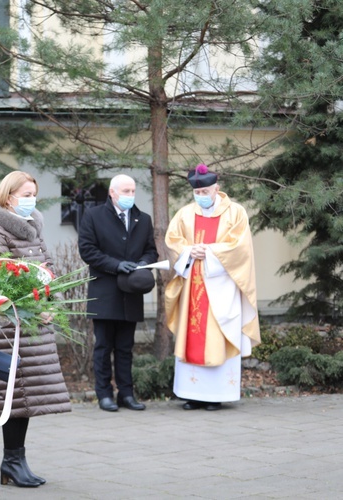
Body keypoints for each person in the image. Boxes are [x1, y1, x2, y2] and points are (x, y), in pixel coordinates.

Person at [0, 171, 71, 487]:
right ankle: (11, 461)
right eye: (25, 194)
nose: (31, 200)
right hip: (14, 326)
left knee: (28, 396)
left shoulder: (33, 227)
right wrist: (33, 312)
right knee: (16, 395)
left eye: (34, 194)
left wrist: (52, 305)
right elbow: (1, 280)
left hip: (36, 326)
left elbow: (48, 269)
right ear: (8, 197)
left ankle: (16, 460)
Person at [164, 164, 261, 411]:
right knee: (192, 333)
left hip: (222, 287)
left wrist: (207, 251)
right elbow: (173, 241)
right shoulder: (185, 214)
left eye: (206, 192)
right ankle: (191, 394)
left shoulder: (235, 213)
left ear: (217, 188)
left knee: (218, 333)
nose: (201, 197)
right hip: (192, 287)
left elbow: (240, 247)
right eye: (198, 193)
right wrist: (188, 250)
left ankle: (216, 395)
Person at [78, 174, 158, 412]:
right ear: (112, 193)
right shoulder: (93, 216)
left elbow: (151, 251)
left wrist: (142, 262)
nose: (130, 196)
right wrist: (116, 265)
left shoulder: (142, 219)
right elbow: (88, 250)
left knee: (125, 347)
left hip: (131, 293)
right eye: (125, 191)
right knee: (103, 346)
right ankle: (104, 394)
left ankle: (126, 394)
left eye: (132, 191)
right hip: (104, 292)